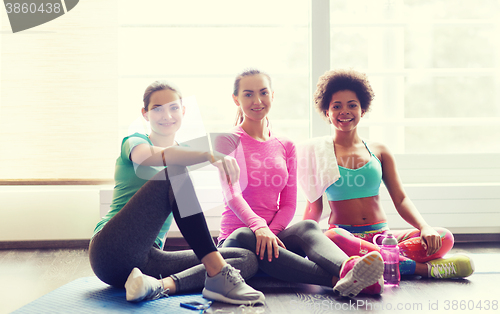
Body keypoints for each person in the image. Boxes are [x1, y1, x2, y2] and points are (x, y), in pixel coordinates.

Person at [88, 80, 265, 305]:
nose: (166, 115)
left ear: (183, 111)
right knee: (174, 171)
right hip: (110, 251)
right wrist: (209, 154)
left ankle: (158, 286)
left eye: (173, 108)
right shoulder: (134, 141)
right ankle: (218, 274)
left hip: (148, 261)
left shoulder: (184, 154)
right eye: (157, 109)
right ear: (145, 114)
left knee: (243, 258)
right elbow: (150, 157)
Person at [215, 69, 385, 298]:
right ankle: (338, 280)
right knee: (246, 234)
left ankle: (348, 269)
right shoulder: (226, 140)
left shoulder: (286, 145)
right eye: (248, 95)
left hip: (274, 240)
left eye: (263, 93)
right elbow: (232, 196)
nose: (257, 101)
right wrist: (260, 228)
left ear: (272, 96)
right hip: (237, 241)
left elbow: (287, 204)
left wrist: (271, 234)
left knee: (309, 227)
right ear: (236, 99)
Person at [301, 68, 474, 280]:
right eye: (336, 106)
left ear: (362, 110)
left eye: (352, 105)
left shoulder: (379, 151)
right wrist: (305, 243)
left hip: (384, 236)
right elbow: (313, 207)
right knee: (331, 237)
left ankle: (380, 262)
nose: (344, 111)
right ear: (327, 113)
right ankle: (423, 269)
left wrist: (424, 226)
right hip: (345, 237)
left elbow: (400, 199)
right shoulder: (318, 154)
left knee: (443, 236)